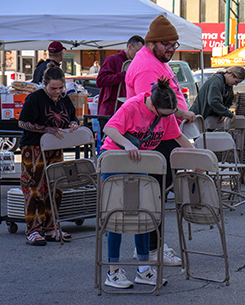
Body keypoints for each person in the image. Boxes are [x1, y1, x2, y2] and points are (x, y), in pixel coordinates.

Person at [100, 76, 194, 288]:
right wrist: (126, 144)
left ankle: (144, 270)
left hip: (140, 165)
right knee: (116, 216)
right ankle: (112, 272)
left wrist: (198, 158)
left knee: (145, 216)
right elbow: (109, 128)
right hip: (115, 161)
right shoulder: (132, 106)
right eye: (164, 114)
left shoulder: (166, 114)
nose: (168, 118)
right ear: (153, 104)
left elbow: (178, 137)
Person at [125, 14, 196, 266]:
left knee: (156, 197)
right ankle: (151, 250)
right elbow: (155, 106)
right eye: (167, 44)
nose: (171, 49)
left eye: (174, 45)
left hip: (164, 136)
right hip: (152, 142)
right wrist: (181, 113)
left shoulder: (156, 59)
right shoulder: (146, 66)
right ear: (152, 42)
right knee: (152, 198)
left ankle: (150, 247)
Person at [18, 62, 80, 246]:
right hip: (34, 147)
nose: (57, 91)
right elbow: (23, 123)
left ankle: (52, 226)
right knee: (34, 188)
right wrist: (47, 129)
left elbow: (72, 117)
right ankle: (33, 229)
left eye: (61, 87)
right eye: (53, 88)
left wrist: (73, 124)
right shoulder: (34, 98)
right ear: (44, 84)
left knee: (55, 187)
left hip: (55, 147)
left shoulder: (64, 98)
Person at [96, 35, 145, 116]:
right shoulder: (112, 59)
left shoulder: (136, 63)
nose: (138, 55)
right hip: (110, 110)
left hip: (127, 110)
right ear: (130, 46)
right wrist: (123, 75)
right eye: (137, 51)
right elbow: (100, 81)